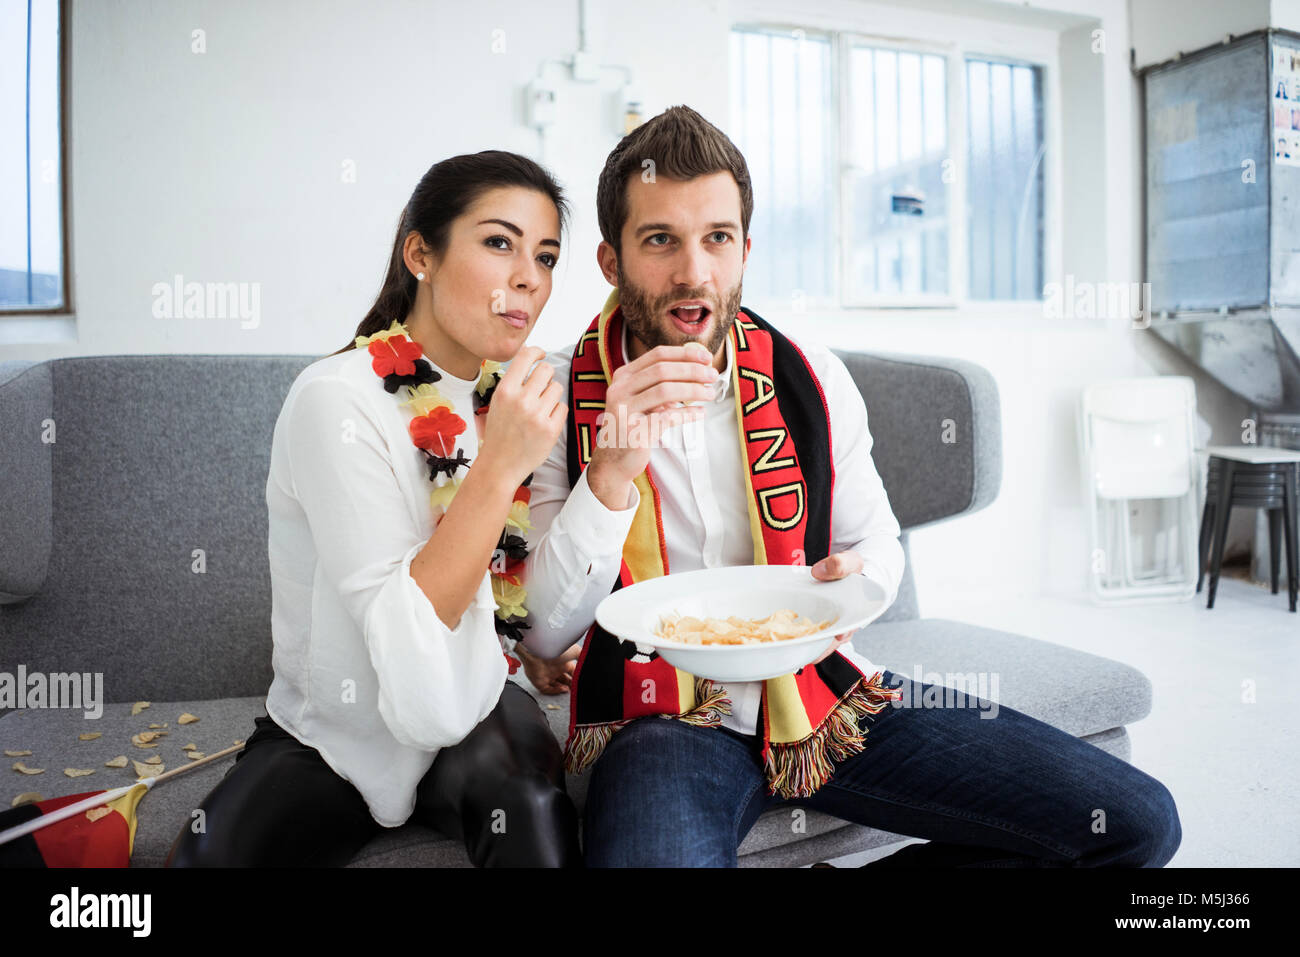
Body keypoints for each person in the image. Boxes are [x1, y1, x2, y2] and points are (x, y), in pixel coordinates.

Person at [521, 106, 1183, 867]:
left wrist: (853, 579)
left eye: (718, 238)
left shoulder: (812, 377)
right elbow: (543, 632)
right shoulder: (562, 393)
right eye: (660, 240)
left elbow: (875, 549)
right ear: (611, 262)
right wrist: (608, 472)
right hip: (662, 718)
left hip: (821, 691)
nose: (693, 272)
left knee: (1137, 823)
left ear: (745, 250)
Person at [167, 151, 581, 867]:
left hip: (475, 704)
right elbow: (414, 671)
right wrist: (500, 463)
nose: (528, 277)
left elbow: (517, 607)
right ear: (420, 252)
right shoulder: (337, 401)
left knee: (534, 811)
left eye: (545, 256)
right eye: (498, 242)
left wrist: (527, 639)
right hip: (335, 734)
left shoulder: (510, 397)